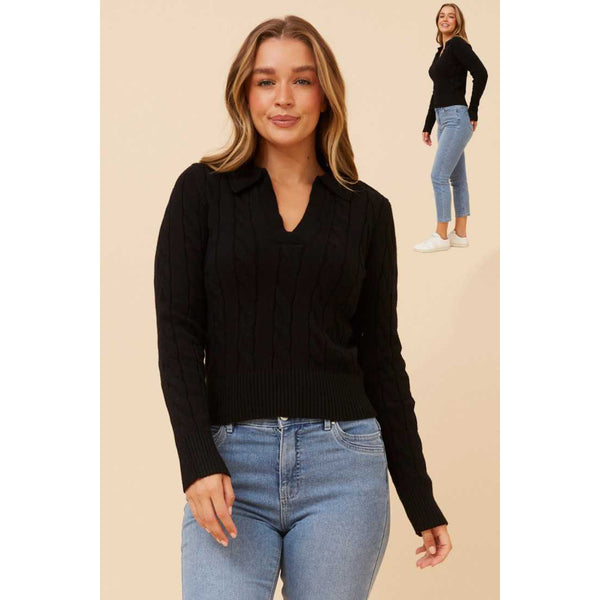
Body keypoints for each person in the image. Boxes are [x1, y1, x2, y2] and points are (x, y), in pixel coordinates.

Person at [154, 15, 452, 599]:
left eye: (302, 80)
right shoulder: (201, 191)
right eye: (266, 81)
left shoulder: (367, 212)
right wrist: (197, 460)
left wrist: (420, 499)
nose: (283, 98)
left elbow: (381, 359)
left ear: (325, 93)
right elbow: (178, 335)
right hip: (231, 466)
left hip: (344, 469)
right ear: (245, 93)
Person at [415, 3, 488, 253]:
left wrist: (473, 110)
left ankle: (441, 235)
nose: (445, 19)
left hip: (457, 117)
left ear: (458, 22)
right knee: (457, 179)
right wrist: (428, 124)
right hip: (443, 118)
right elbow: (437, 91)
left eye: (451, 16)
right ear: (437, 20)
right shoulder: (441, 51)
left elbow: (481, 74)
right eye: (442, 15)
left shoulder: (458, 45)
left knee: (438, 176)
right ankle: (460, 234)